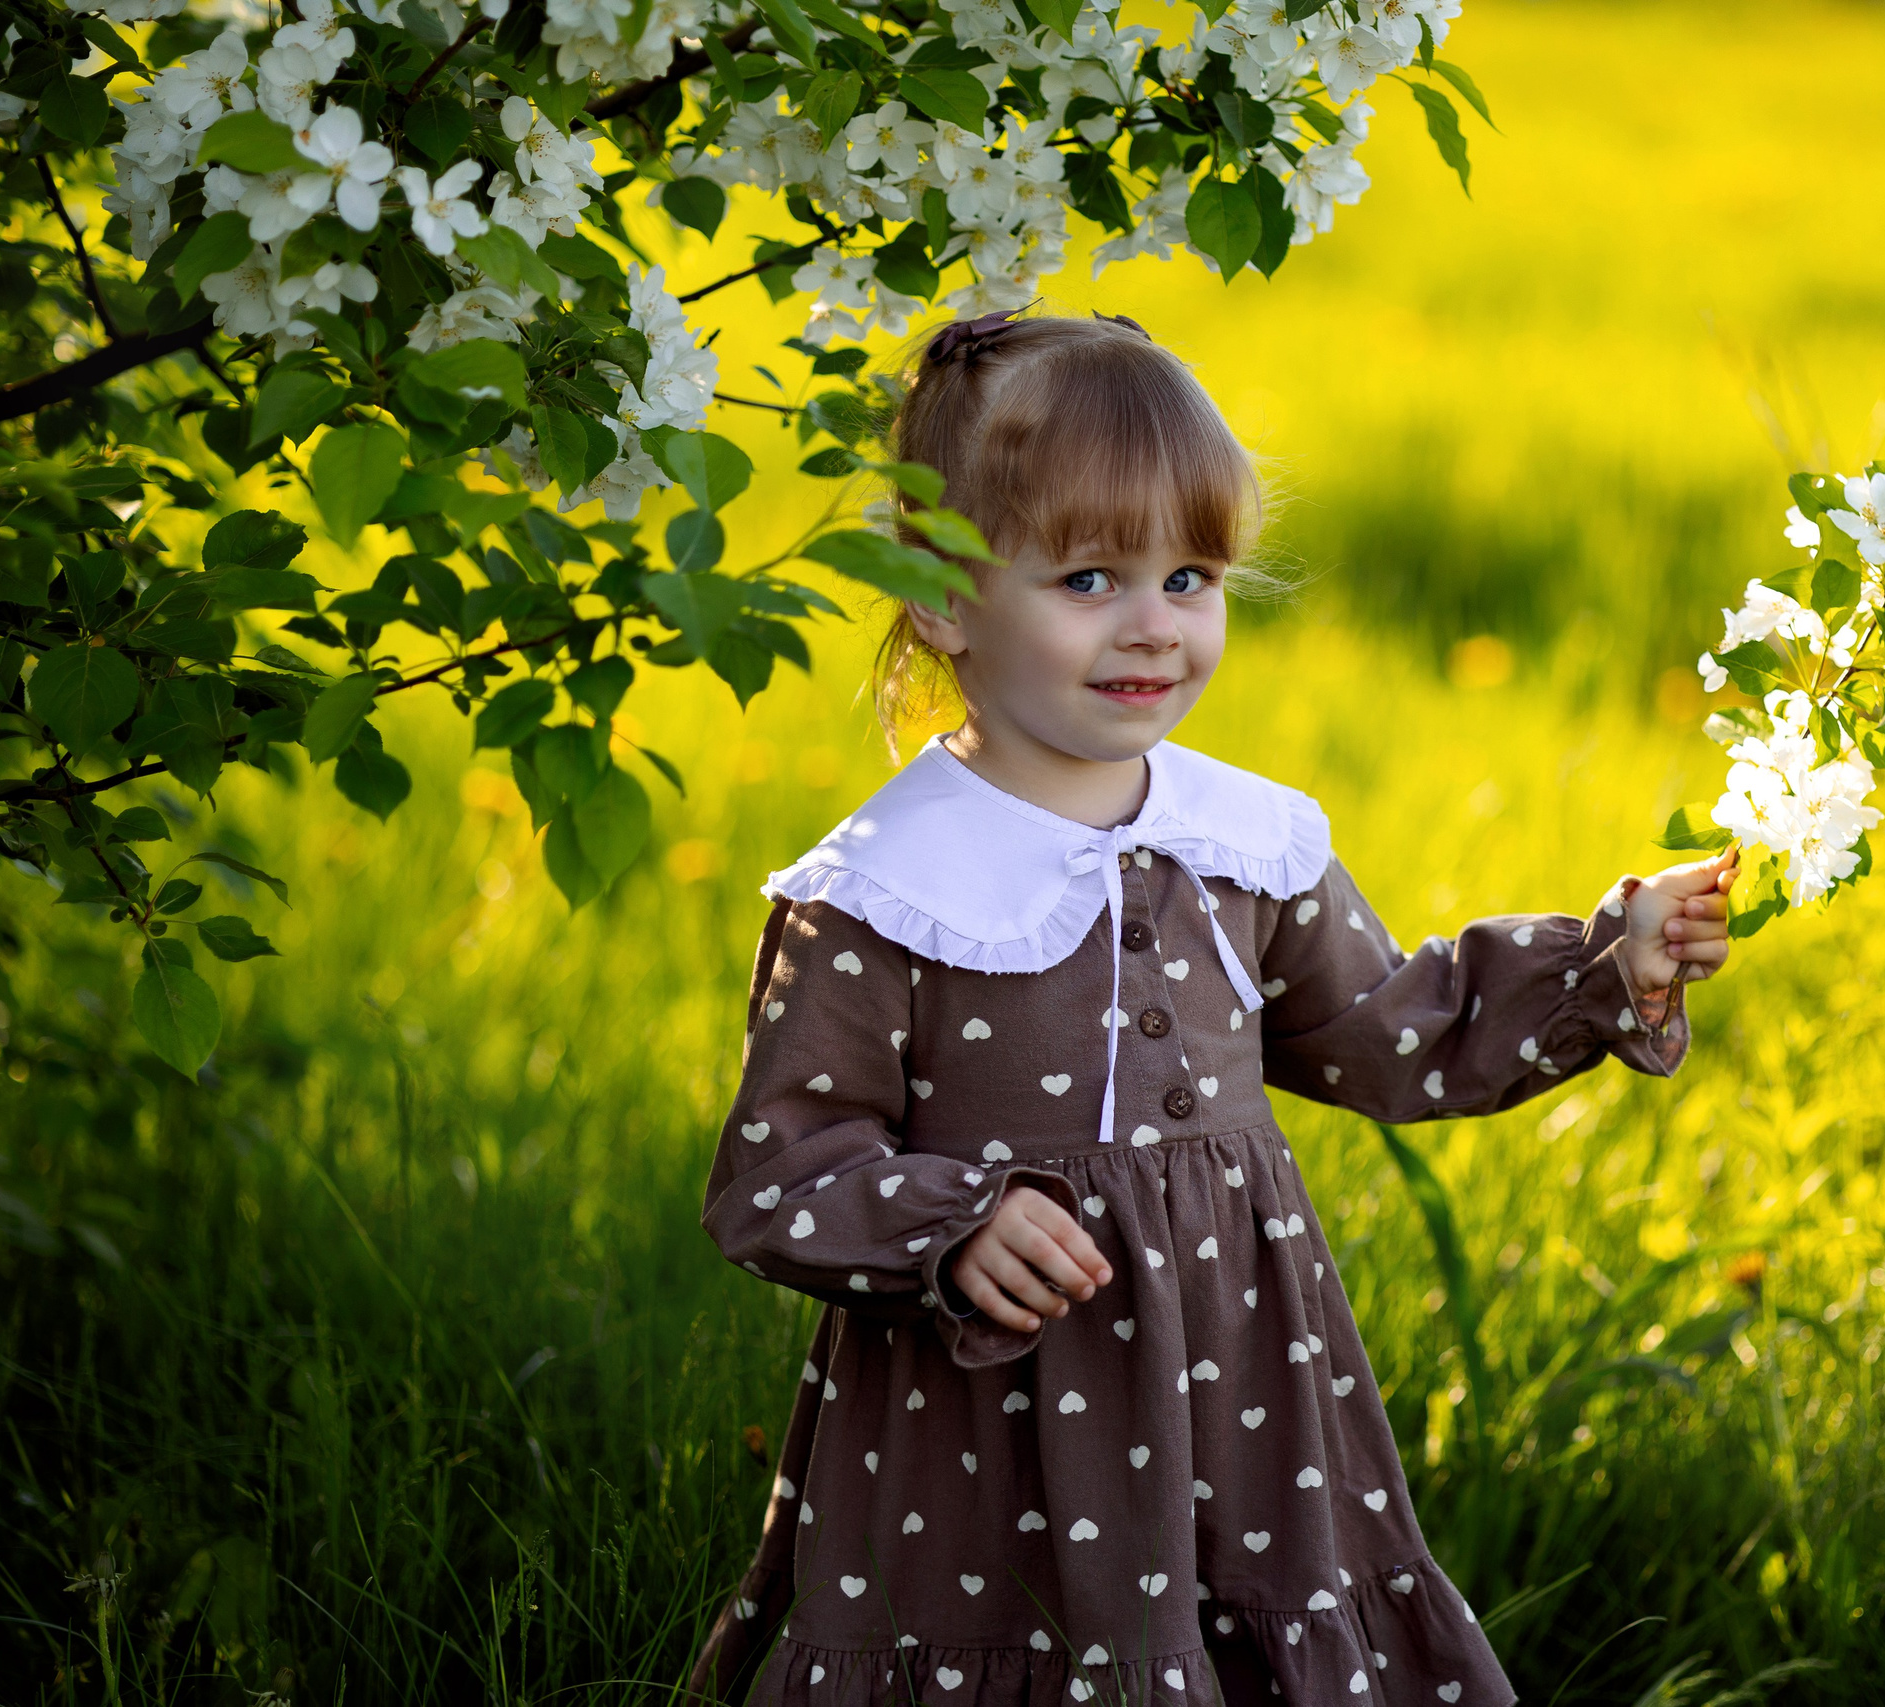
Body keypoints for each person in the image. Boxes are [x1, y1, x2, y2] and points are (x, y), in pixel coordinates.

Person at [685, 309, 1737, 1705]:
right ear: (940, 594)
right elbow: (782, 1176)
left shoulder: (1244, 842)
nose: (1152, 627)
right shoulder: (880, 892)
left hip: (1239, 1375)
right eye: (1087, 577)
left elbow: (1385, 1035)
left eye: (1190, 575)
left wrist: (1613, 962)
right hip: (988, 1410)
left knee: (1244, 1625)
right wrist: (953, 1221)